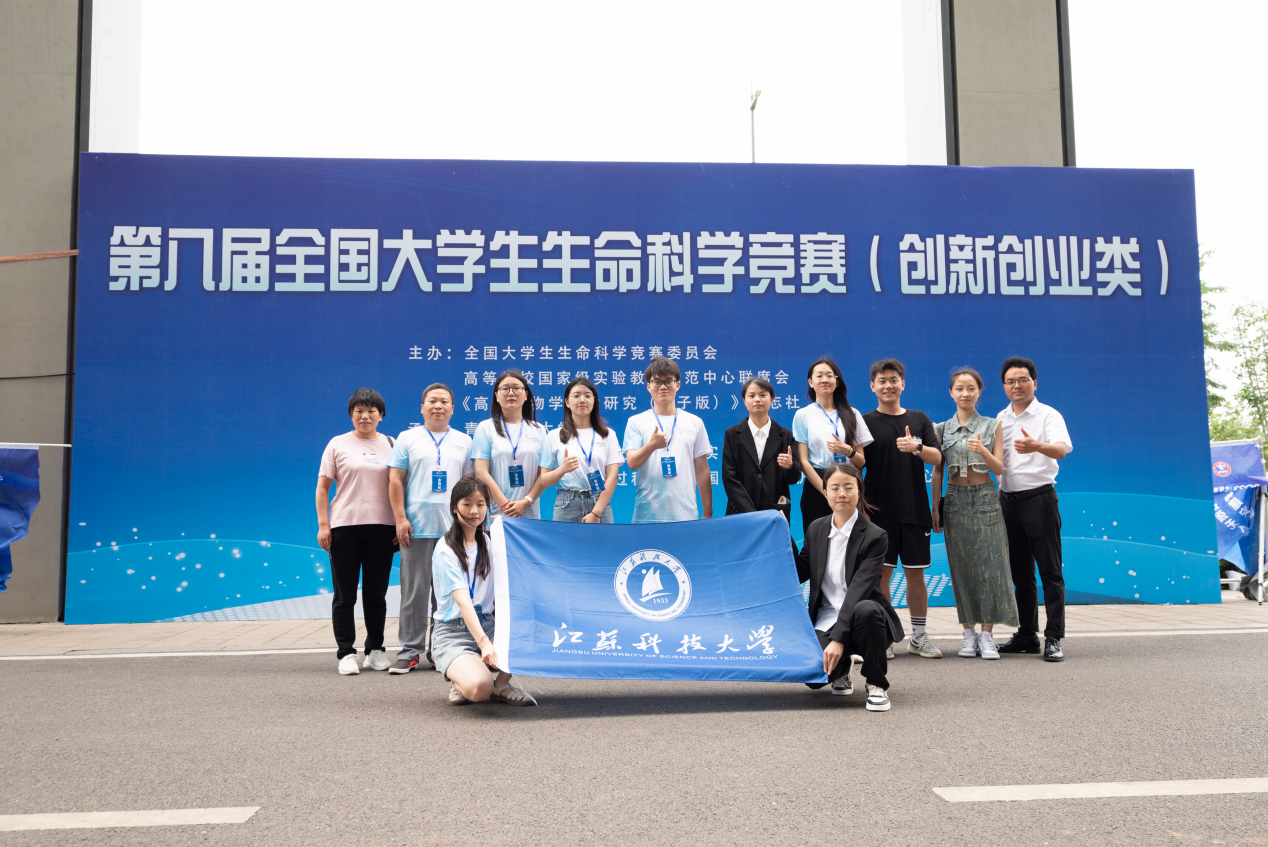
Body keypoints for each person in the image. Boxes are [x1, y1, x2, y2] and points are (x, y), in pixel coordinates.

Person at [796, 463, 904, 712]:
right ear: (825, 493)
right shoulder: (816, 529)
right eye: (834, 488)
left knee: (866, 609)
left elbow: (858, 590)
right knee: (814, 678)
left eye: (848, 487)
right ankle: (842, 667)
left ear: (859, 490)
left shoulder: (875, 536)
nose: (841, 493)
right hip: (826, 618)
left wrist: (838, 639)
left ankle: (876, 683)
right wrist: (783, 535)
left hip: (863, 619)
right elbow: (800, 571)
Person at [930, 368, 1019, 660]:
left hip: (985, 499)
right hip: (954, 500)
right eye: (959, 388)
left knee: (990, 568)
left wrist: (982, 450)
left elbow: (999, 468)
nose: (965, 393)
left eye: (971, 388)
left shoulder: (993, 425)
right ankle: (968, 635)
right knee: (962, 569)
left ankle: (987, 635)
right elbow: (937, 471)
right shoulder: (941, 429)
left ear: (980, 391)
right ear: (951, 393)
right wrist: (935, 507)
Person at [387, 383, 473, 674]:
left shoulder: (464, 441)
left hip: (453, 531)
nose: (438, 406)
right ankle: (409, 651)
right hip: (416, 528)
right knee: (414, 593)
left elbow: (468, 486)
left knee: (447, 595)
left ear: (453, 408)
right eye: (432, 401)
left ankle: (440, 649)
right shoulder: (407, 438)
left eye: (444, 401)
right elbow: (395, 479)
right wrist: (400, 518)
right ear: (422, 408)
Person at [430, 474, 536, 705]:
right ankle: (462, 678)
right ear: (454, 507)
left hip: (488, 623)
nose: (474, 511)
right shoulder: (446, 549)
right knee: (479, 688)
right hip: (453, 631)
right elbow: (464, 602)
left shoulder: (488, 542)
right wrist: (484, 643)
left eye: (480, 505)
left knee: (531, 638)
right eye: (467, 504)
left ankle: (501, 685)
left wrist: (506, 529)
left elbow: (516, 569)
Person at [863, 358, 944, 659]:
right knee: (881, 576)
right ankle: (884, 636)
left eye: (893, 380)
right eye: (882, 381)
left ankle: (918, 637)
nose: (888, 385)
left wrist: (917, 447)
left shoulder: (920, 419)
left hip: (914, 510)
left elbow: (937, 459)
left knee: (915, 575)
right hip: (878, 512)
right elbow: (857, 465)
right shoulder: (864, 422)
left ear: (903, 384)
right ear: (873, 386)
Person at [995, 356, 1072, 662]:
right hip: (1008, 502)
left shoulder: (1048, 414)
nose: (1017, 385)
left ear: (1034, 383)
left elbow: (1061, 450)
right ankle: (1027, 634)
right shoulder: (1000, 418)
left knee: (1050, 571)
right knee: (1021, 573)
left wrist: (1037, 445)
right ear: (1004, 386)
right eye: (1011, 381)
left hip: (1040, 499)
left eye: (1023, 380)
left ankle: (1053, 637)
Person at [316, 388, 398, 676]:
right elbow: (323, 488)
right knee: (345, 595)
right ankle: (346, 653)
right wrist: (323, 525)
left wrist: (400, 521)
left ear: (381, 415)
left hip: (383, 528)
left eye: (371, 411)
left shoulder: (391, 444)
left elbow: (400, 486)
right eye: (359, 411)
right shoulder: (337, 444)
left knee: (376, 594)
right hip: (344, 528)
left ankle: (375, 651)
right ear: (351, 415)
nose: (365, 416)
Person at [623, 357, 713, 523]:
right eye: (657, 382)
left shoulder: (695, 422)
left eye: (668, 381)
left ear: (677, 385)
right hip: (647, 514)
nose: (663, 387)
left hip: (686, 514)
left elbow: (702, 469)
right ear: (648, 386)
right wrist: (651, 446)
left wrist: (708, 511)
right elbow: (632, 463)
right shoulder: (636, 421)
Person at [792, 358, 873, 538]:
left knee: (852, 541)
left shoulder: (853, 414)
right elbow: (804, 462)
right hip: (817, 485)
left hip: (848, 481)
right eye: (819, 376)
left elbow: (861, 461)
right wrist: (826, 490)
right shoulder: (803, 415)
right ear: (810, 382)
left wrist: (847, 450)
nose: (825, 380)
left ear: (837, 381)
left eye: (829, 375)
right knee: (817, 541)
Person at [538, 377, 622, 522]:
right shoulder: (554, 436)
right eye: (576, 396)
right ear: (567, 402)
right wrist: (562, 470)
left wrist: (596, 513)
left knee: (605, 538)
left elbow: (612, 477)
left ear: (594, 401)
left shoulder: (608, 435)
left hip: (600, 503)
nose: (582, 399)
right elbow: (544, 480)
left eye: (587, 396)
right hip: (567, 503)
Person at [721, 377, 801, 524]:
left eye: (763, 395)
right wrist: (751, 513)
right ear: (744, 401)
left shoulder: (785, 435)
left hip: (775, 512)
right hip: (740, 513)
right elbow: (729, 477)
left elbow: (794, 479)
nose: (757, 399)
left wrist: (791, 467)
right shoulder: (732, 434)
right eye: (751, 396)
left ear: (772, 400)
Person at [472, 370, 547, 520]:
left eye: (517, 388)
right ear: (496, 396)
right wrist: (506, 506)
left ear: (525, 395)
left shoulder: (539, 430)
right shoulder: (485, 428)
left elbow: (544, 475)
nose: (511, 393)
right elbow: (481, 473)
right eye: (505, 389)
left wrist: (526, 502)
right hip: (496, 513)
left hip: (529, 513)